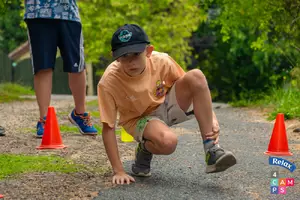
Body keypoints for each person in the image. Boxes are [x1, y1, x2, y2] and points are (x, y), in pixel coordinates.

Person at [97, 24, 237, 185]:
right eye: (124, 56)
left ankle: (212, 149)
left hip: (164, 104)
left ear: (148, 51)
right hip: (138, 119)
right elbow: (108, 128)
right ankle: (145, 147)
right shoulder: (108, 82)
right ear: (115, 56)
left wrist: (211, 118)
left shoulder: (162, 61)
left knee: (196, 76)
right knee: (168, 143)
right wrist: (119, 171)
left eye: (136, 54)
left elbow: (194, 88)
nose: (130, 62)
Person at [24, 0, 97, 137]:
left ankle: (79, 114)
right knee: (43, 66)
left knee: (76, 65)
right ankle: (44, 119)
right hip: (37, 12)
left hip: (68, 13)